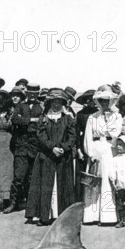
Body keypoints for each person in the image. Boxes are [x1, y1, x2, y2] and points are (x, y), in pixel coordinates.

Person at [25, 89, 76, 226]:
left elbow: (72, 137)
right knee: (46, 186)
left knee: (62, 186)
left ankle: (61, 217)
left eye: (59, 102)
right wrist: (52, 147)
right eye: (54, 102)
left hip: (63, 157)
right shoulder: (43, 118)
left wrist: (63, 148)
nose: (56, 105)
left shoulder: (68, 118)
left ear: (63, 103)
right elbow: (41, 137)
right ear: (49, 103)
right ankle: (44, 216)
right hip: (46, 156)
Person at [82, 84, 123, 224]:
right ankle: (91, 216)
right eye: (102, 101)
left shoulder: (117, 117)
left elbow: (115, 133)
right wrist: (91, 153)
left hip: (109, 148)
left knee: (107, 179)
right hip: (96, 148)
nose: (104, 103)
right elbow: (88, 136)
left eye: (107, 100)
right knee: (94, 181)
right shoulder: (92, 117)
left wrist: (107, 120)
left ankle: (107, 217)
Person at [4, 83, 43, 214]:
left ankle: (30, 204)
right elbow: (15, 120)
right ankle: (13, 203)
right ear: (26, 93)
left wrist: (26, 121)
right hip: (20, 145)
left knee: (32, 177)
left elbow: (42, 122)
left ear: (38, 93)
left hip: (35, 146)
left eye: (35, 93)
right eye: (30, 92)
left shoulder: (41, 107)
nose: (32, 95)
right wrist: (32, 120)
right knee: (18, 177)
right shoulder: (20, 106)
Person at [74, 89, 97, 200]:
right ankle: (81, 198)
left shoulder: (99, 114)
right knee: (82, 172)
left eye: (93, 99)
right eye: (88, 99)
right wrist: (78, 149)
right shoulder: (80, 114)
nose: (91, 102)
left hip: (96, 144)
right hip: (83, 144)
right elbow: (77, 133)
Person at [109, 135, 125, 228]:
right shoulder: (115, 159)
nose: (118, 147)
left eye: (121, 145)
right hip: (120, 184)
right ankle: (122, 220)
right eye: (117, 145)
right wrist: (113, 179)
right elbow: (112, 171)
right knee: (121, 202)